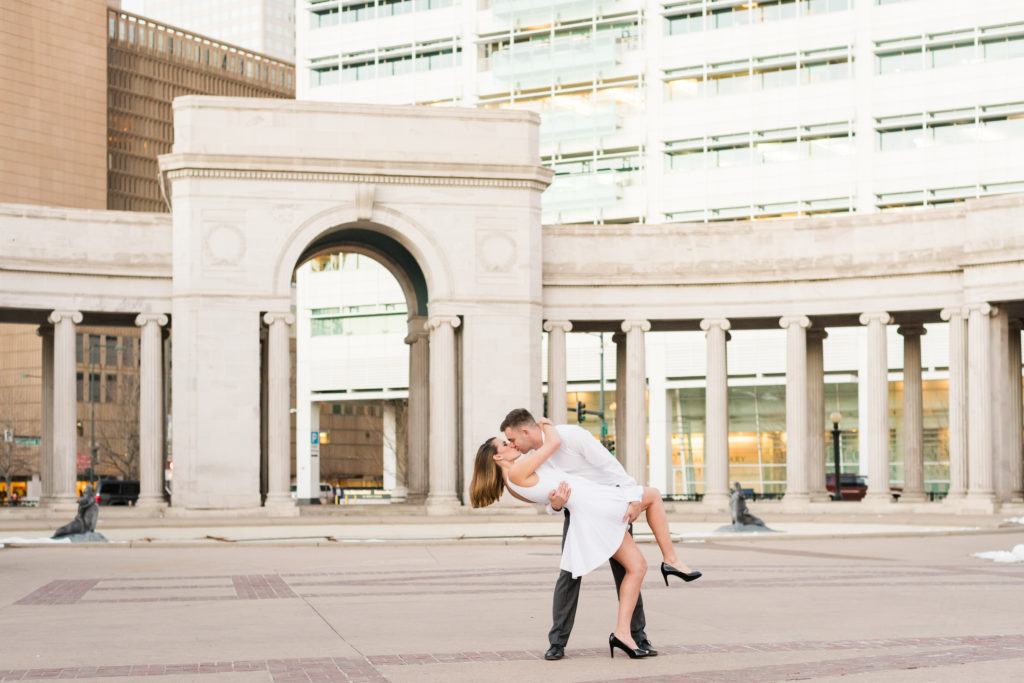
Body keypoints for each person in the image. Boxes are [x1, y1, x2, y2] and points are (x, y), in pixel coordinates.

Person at [471, 410, 701, 660]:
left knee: (632, 567)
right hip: (593, 508)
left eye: (511, 439)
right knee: (582, 572)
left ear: (525, 431)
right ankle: (668, 564)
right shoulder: (526, 464)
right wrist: (547, 425)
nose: (512, 445)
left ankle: (632, 633)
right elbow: (550, 483)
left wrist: (632, 498)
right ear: (497, 456)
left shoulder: (562, 442)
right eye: (506, 443)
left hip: (602, 500)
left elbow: (608, 465)